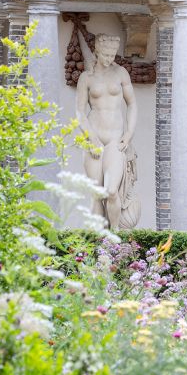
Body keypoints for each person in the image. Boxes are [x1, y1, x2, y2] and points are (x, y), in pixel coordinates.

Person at [74, 33, 140, 229]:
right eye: (106, 55)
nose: (110, 59)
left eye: (112, 55)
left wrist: (129, 134)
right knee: (96, 194)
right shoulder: (86, 78)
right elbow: (79, 111)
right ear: (97, 50)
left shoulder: (120, 73)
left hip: (114, 139)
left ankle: (115, 236)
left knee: (111, 191)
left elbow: (132, 104)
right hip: (94, 137)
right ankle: (98, 241)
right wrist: (90, 137)